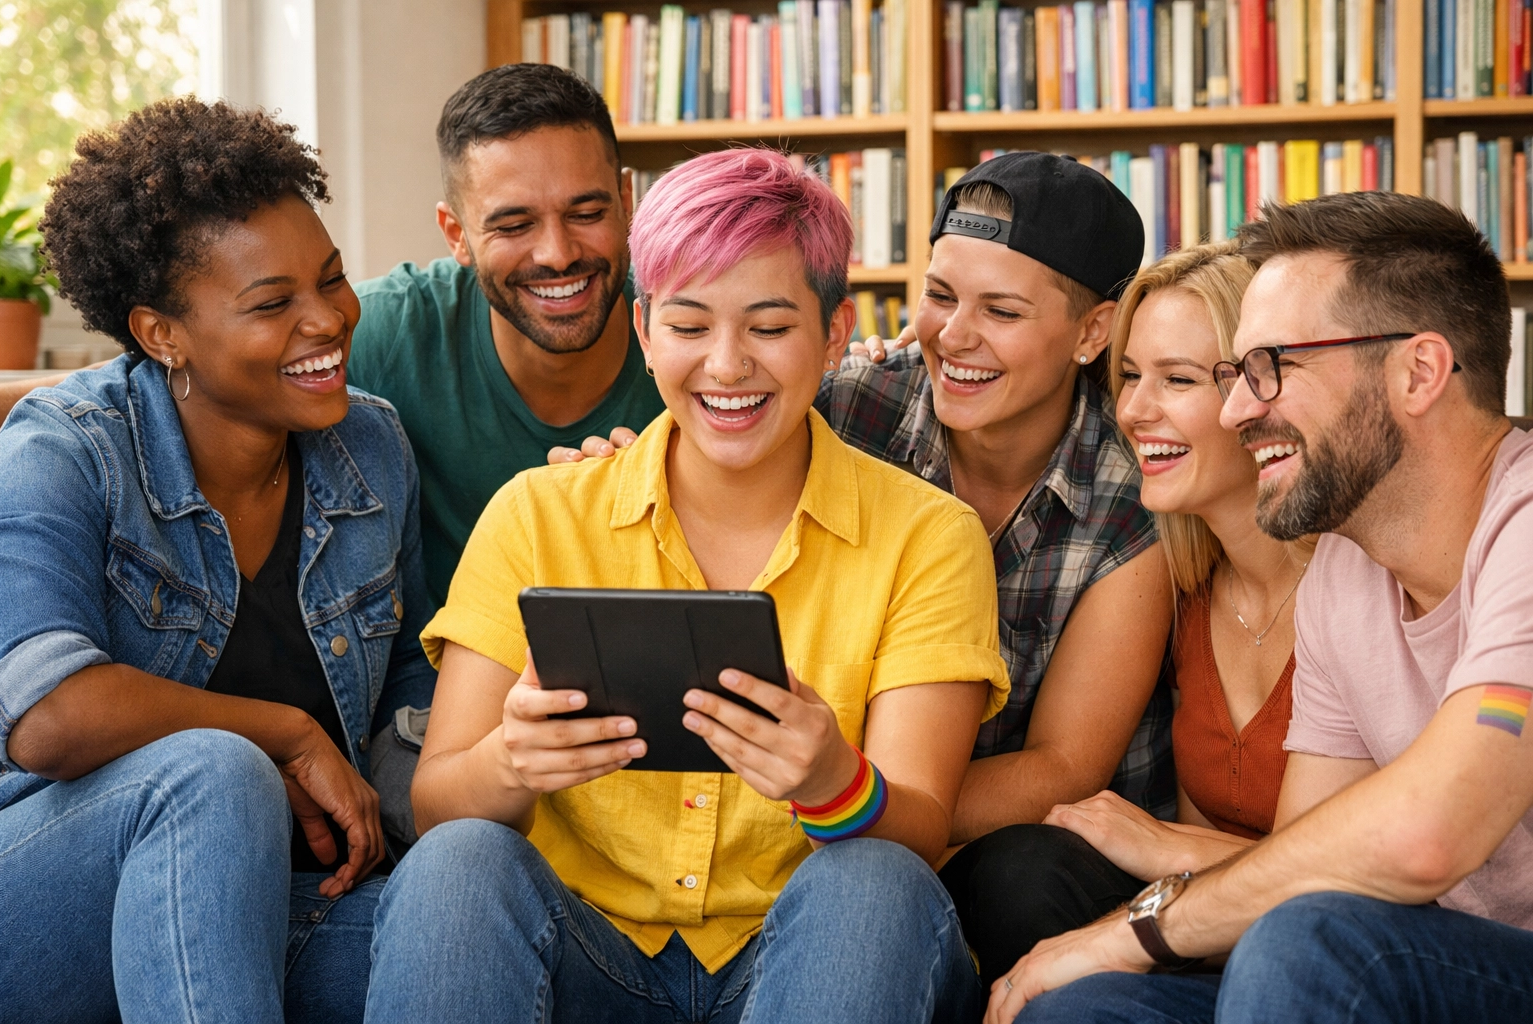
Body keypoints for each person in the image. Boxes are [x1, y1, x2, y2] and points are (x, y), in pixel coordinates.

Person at [364, 148, 1009, 1023]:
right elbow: (441, 801)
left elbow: (923, 826)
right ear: (644, 330)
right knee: (457, 861)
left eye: (771, 327)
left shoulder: (929, 538)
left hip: (804, 949)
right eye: (690, 325)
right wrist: (508, 762)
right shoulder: (537, 515)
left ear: (833, 333)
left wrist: (831, 779)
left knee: (876, 882)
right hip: (586, 951)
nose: (727, 365)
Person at [989, 191, 1533, 1024]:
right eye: (1238, 376)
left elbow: (1428, 835)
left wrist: (1129, 934)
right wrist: (1100, 949)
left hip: (1467, 964)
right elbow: (1295, 859)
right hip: (1420, 962)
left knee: (1307, 941)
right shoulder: (1346, 575)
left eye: (1274, 367)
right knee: (1083, 1010)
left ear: (1418, 372)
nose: (1240, 408)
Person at [559, 151, 1177, 848]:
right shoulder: (847, 403)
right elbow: (712, 431)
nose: (955, 335)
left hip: (1005, 838)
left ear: (1093, 332)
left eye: (1001, 310)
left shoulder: (1132, 495)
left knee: (1019, 876)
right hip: (835, 819)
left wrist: (839, 802)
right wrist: (614, 466)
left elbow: (1063, 766)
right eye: (940, 296)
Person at [0, 99, 434, 1022]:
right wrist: (283, 730)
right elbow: (45, 713)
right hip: (44, 886)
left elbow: (407, 685)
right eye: (273, 304)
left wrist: (440, 819)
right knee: (215, 770)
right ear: (162, 334)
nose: (327, 321)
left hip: (275, 896)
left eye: (332, 279)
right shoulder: (67, 449)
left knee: (476, 916)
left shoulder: (375, 448)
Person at [957, 242, 1312, 988]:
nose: (1133, 411)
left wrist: (1161, 848)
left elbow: (1355, 873)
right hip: (1221, 942)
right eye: (1127, 377)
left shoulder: (1354, 586)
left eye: (1177, 379)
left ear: (1263, 391)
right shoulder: (1191, 590)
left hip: (1332, 959)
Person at [345, 63, 665, 611]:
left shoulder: (695, 326)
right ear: (457, 235)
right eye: (514, 227)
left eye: (587, 212)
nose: (558, 254)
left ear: (627, 198)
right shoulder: (381, 333)